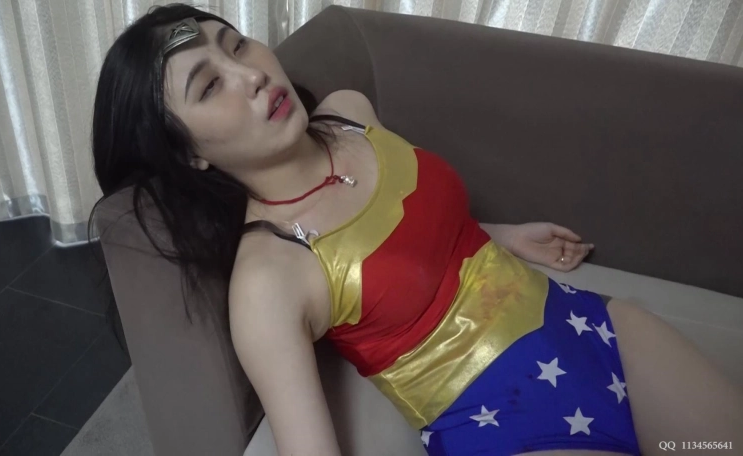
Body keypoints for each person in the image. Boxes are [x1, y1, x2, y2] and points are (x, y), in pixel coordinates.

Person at [90, 4, 743, 456]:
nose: (253, 73)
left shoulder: (349, 114)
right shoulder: (268, 278)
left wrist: (500, 234)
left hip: (587, 327)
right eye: (210, 86)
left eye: (236, 44)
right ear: (188, 154)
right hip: (508, 424)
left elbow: (411, 226)